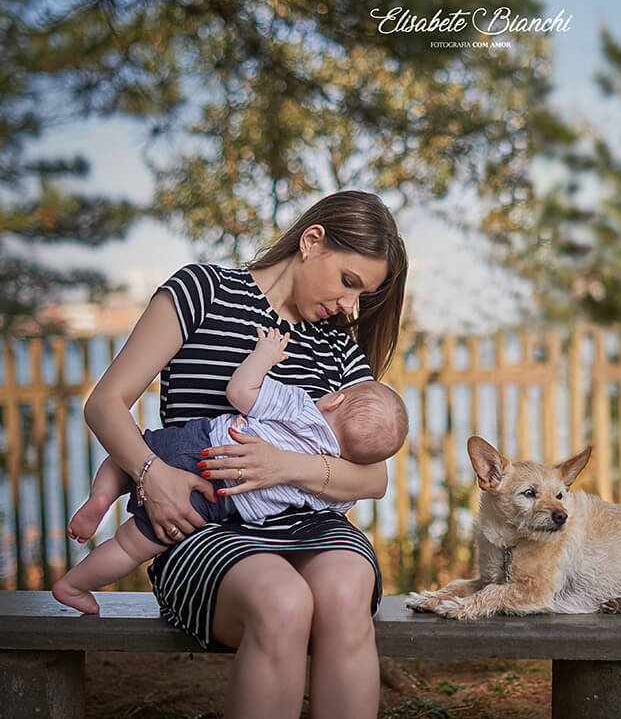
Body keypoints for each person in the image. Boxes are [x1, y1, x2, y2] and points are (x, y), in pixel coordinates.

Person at [77, 190, 407, 719]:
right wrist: (152, 475)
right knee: (282, 602)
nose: (350, 307)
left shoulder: (337, 347)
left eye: (361, 295)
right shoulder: (201, 292)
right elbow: (105, 404)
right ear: (312, 240)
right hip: (199, 523)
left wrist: (286, 467)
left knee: (345, 594)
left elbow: (372, 481)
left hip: (313, 527)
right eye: (349, 282)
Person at [53, 326, 409, 615]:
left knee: (131, 454)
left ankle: (101, 497)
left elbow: (240, 391)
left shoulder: (301, 407)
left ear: (335, 399)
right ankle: (74, 586)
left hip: (204, 445)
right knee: (131, 546)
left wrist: (264, 356)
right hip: (218, 502)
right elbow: (346, 495)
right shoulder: (325, 480)